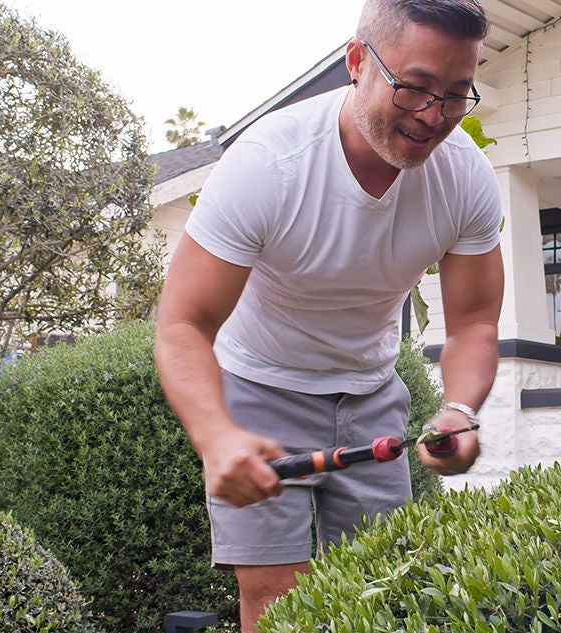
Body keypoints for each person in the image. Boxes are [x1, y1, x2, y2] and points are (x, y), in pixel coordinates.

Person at [152, 1, 503, 629]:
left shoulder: (466, 179)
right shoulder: (270, 164)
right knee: (275, 599)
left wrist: (461, 409)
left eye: (456, 95)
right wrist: (217, 436)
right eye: (415, 88)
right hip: (258, 390)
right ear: (357, 61)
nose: (434, 117)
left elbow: (474, 322)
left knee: (378, 590)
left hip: (372, 392)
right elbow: (183, 325)